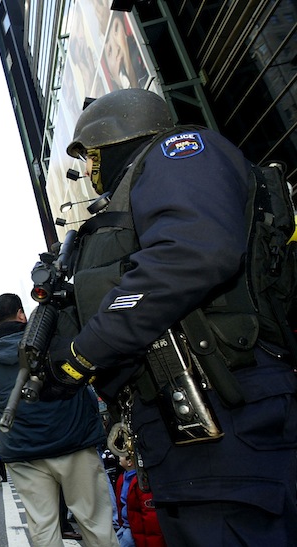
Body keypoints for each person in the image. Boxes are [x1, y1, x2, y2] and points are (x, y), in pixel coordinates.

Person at [39, 87, 297, 544]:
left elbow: (188, 253)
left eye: (92, 157)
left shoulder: (177, 151)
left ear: (118, 138)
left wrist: (85, 351)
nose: (91, 170)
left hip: (226, 409)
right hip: (194, 426)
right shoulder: (152, 180)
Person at [0, 293, 117, 546]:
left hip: (22, 447)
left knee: (42, 528)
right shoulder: (53, 337)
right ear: (21, 314)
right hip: (72, 439)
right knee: (95, 523)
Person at [115, 455, 166, 547]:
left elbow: (150, 519)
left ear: (129, 462)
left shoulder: (141, 483)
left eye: (122, 455)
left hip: (133, 530)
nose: (119, 456)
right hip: (126, 526)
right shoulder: (122, 478)